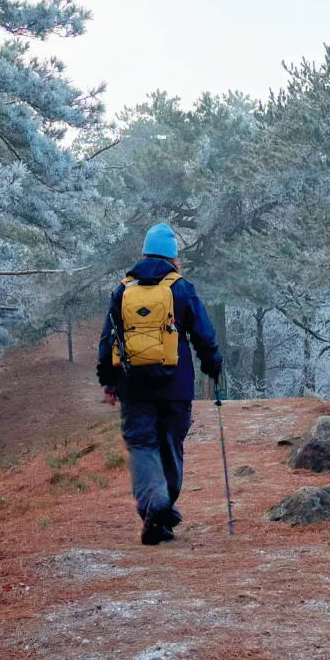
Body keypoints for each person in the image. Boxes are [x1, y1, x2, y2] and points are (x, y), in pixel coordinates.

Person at [97, 222, 222, 544]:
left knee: (142, 446)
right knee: (171, 445)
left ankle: (156, 508)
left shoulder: (122, 289)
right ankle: (162, 508)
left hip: (133, 384)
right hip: (176, 385)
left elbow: (108, 339)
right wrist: (213, 366)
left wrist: (108, 382)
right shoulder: (182, 288)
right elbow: (204, 336)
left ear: (144, 252)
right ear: (174, 258)